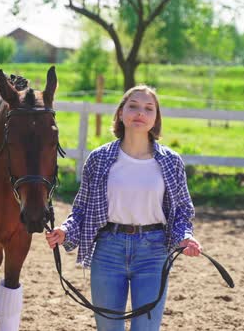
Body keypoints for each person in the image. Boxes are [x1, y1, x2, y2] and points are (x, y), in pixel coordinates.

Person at [45, 85, 202, 331]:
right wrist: (65, 231)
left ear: (155, 118)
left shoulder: (171, 161)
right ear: (120, 113)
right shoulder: (99, 158)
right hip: (108, 250)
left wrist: (186, 237)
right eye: (133, 106)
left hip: (153, 252)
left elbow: (182, 210)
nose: (140, 112)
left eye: (148, 108)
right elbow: (82, 209)